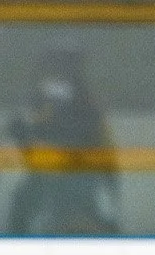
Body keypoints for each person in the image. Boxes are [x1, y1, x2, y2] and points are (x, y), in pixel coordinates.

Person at [6, 44, 119, 237]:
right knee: (24, 207)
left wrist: (109, 179)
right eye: (57, 63)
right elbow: (27, 134)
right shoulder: (41, 98)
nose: (61, 69)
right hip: (49, 177)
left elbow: (101, 142)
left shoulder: (86, 102)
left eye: (67, 63)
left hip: (78, 178)